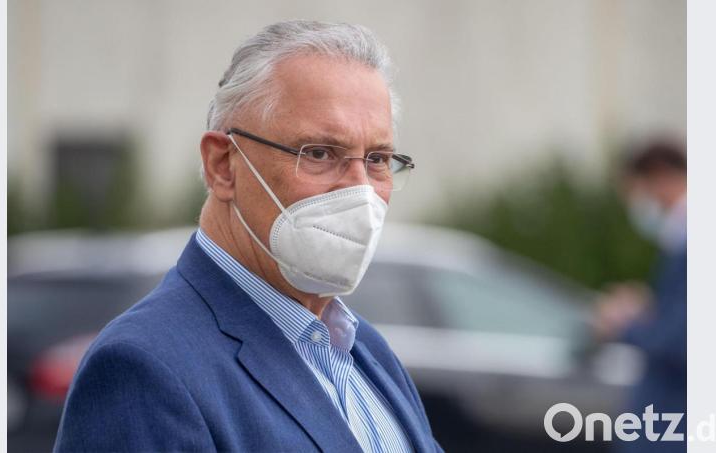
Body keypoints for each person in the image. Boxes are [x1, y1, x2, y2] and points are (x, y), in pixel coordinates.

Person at [54, 20, 442, 453]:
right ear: (223, 165)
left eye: (378, 159)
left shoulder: (365, 350)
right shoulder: (145, 367)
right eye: (318, 153)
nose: (359, 190)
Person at [594, 138, 687, 452]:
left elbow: (679, 343)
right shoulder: (679, 244)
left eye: (636, 192)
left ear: (659, 177)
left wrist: (625, 323)